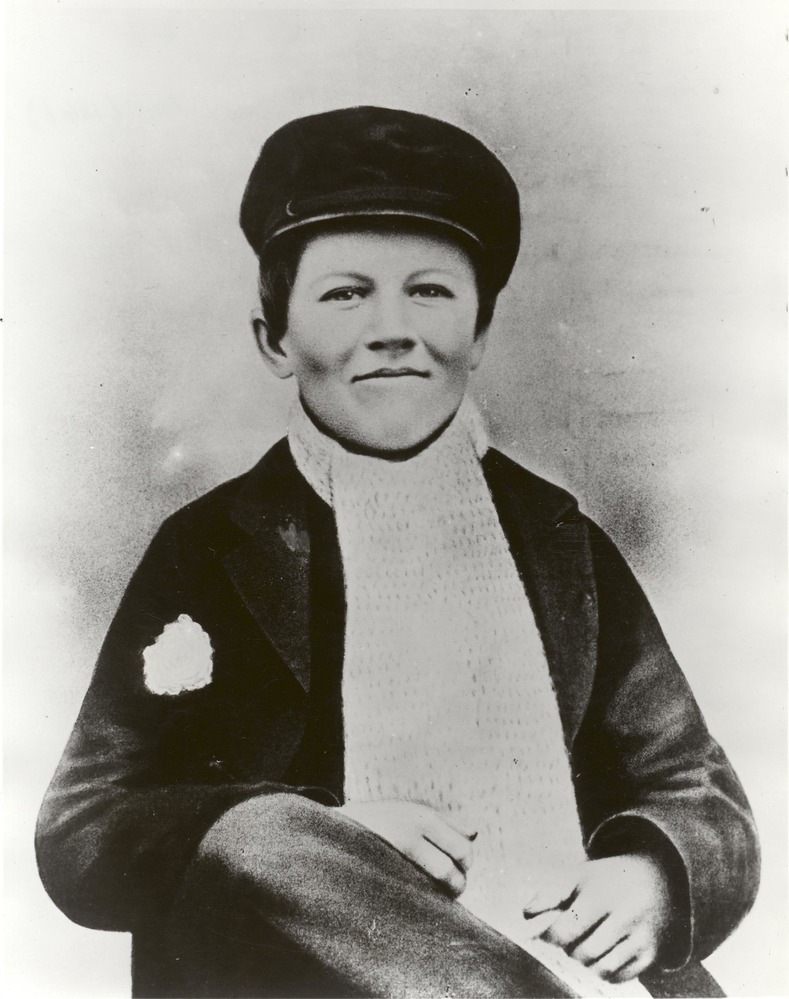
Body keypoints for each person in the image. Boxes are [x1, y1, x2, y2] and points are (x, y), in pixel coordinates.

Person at [36, 106, 759, 999]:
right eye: (345, 293)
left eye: (430, 291)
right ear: (274, 339)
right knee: (263, 834)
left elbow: (694, 785)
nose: (392, 328)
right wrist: (289, 834)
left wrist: (651, 874)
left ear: (480, 335)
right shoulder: (212, 548)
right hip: (302, 975)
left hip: (573, 961)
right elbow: (81, 829)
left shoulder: (560, 539)